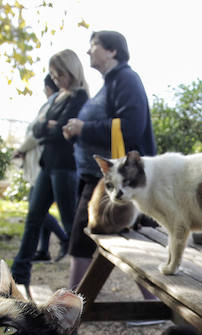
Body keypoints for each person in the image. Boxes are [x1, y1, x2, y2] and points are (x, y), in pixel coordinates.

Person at [62, 30, 157, 290]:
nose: (88, 51)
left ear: (112, 50)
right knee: (128, 238)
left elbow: (131, 126)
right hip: (100, 176)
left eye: (94, 46)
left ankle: (69, 309)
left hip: (115, 178)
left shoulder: (126, 78)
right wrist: (75, 133)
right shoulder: (111, 82)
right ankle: (151, 302)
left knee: (87, 238)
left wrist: (84, 128)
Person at [10, 52, 89, 288]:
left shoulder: (80, 96)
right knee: (33, 218)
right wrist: (49, 126)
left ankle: (86, 277)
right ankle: (19, 273)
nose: (55, 79)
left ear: (72, 71)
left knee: (70, 223)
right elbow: (39, 127)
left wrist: (50, 128)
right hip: (48, 165)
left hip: (66, 167)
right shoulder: (58, 97)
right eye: (53, 75)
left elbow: (63, 133)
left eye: (60, 74)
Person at [12, 75, 70, 265]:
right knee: (39, 209)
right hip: (46, 163)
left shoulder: (55, 102)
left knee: (36, 211)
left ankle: (64, 238)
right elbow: (39, 129)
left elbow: (36, 133)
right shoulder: (55, 102)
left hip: (45, 163)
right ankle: (44, 249)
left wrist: (21, 149)